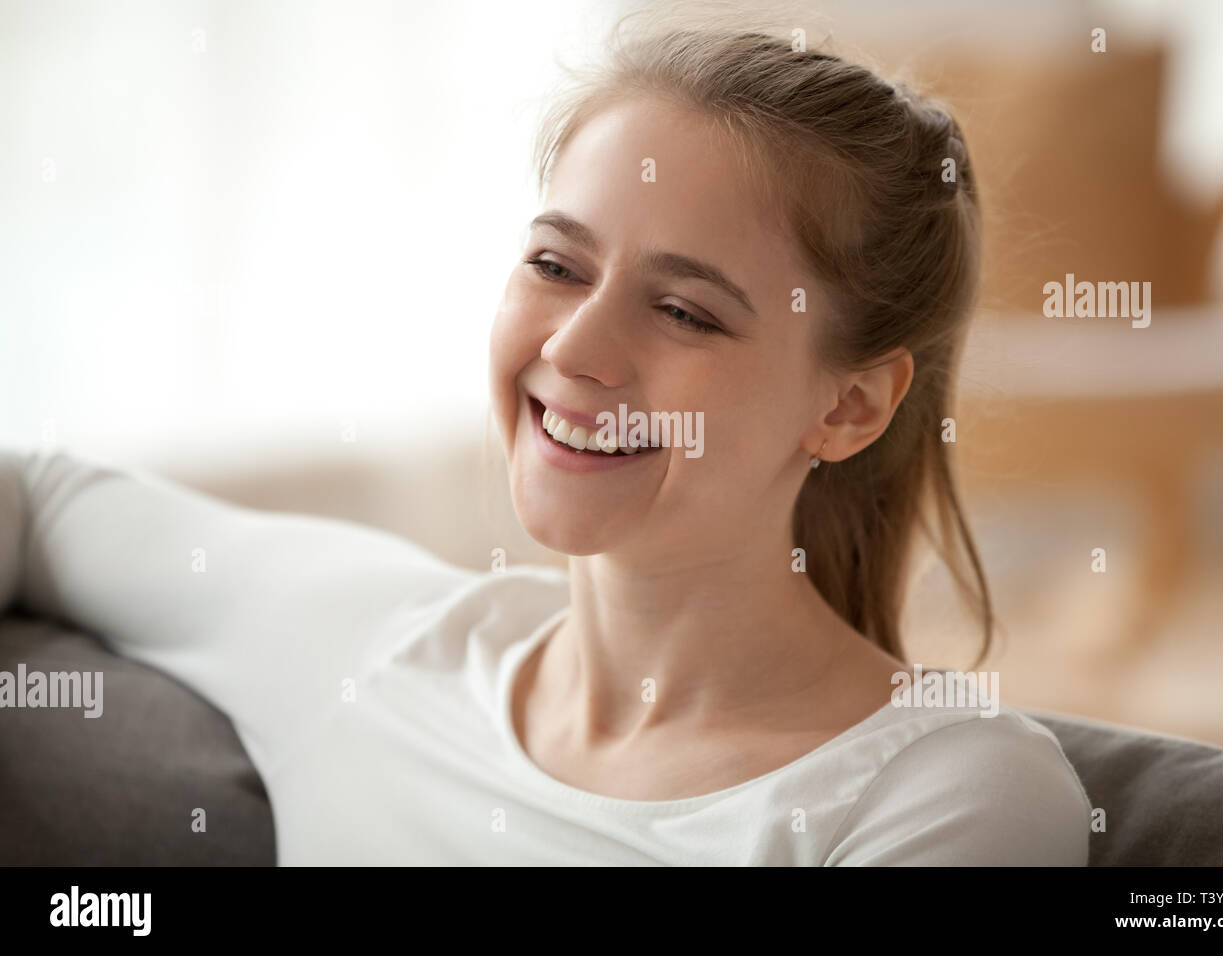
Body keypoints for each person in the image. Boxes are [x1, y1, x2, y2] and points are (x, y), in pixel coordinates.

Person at [0, 7, 1091, 865]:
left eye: (684, 311)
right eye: (556, 265)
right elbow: (38, 497)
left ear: (848, 405)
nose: (573, 347)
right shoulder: (371, 647)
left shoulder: (943, 794)